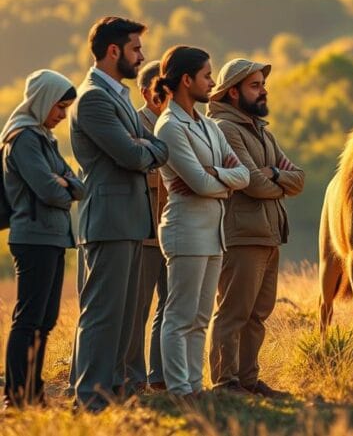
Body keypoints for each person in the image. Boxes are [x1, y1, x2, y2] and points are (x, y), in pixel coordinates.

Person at [70, 16, 169, 412]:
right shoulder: (93, 98)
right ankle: (90, 400)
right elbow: (132, 154)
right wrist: (144, 149)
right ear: (114, 51)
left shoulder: (118, 96)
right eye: (135, 49)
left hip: (129, 220)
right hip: (108, 220)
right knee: (103, 315)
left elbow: (157, 147)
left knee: (126, 317)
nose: (141, 56)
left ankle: (115, 392)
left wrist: (145, 148)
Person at [154, 46, 249, 399]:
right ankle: (180, 390)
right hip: (186, 230)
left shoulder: (208, 125)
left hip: (213, 233)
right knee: (180, 316)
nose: (211, 82)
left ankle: (195, 387)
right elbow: (199, 183)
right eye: (207, 76)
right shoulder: (169, 126)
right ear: (186, 80)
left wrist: (216, 175)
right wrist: (221, 180)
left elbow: (243, 175)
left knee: (200, 319)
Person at [207, 59, 304, 397]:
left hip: (269, 235)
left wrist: (274, 174)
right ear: (233, 92)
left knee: (257, 315)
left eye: (263, 84)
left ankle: (248, 381)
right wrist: (276, 182)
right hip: (242, 235)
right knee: (233, 312)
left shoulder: (262, 132)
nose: (264, 91)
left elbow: (298, 178)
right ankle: (225, 383)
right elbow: (253, 184)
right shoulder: (225, 129)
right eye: (255, 85)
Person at [1, 70, 83, 408]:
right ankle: (16, 396)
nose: (63, 115)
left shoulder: (44, 138)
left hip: (53, 237)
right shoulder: (24, 139)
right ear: (43, 101)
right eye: (59, 107)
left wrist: (66, 183)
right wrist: (63, 185)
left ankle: (33, 392)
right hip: (33, 237)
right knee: (29, 319)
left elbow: (79, 184)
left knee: (45, 320)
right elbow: (49, 190)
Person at [124, 61, 169, 392]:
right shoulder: (133, 124)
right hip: (144, 230)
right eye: (161, 88)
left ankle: (160, 375)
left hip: (173, 229)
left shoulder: (177, 122)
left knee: (170, 307)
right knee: (137, 308)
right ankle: (132, 376)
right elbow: (135, 172)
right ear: (145, 92)